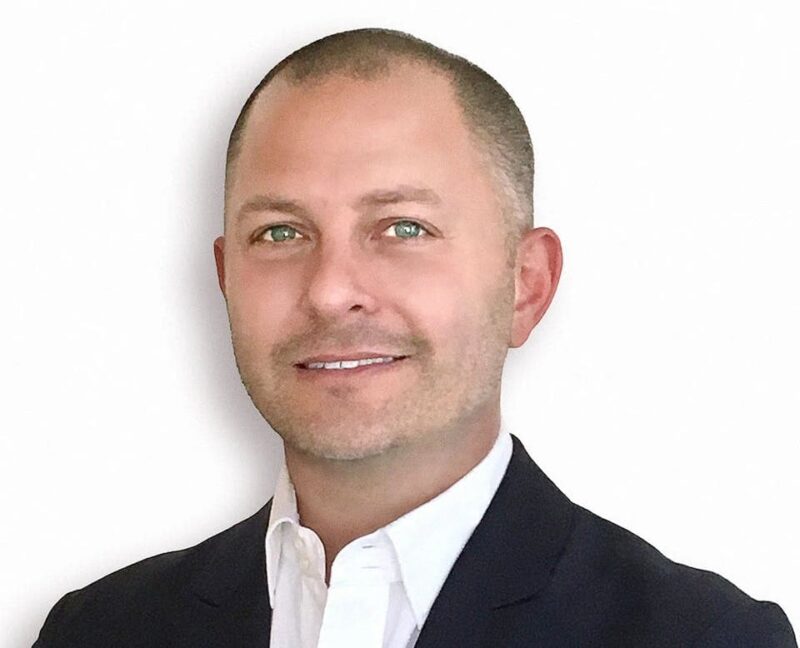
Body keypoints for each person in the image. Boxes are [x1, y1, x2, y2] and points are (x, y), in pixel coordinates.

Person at [33, 27, 796, 648]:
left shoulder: (703, 638)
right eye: (281, 232)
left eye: (403, 227)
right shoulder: (97, 632)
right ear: (226, 278)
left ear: (526, 284)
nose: (330, 289)